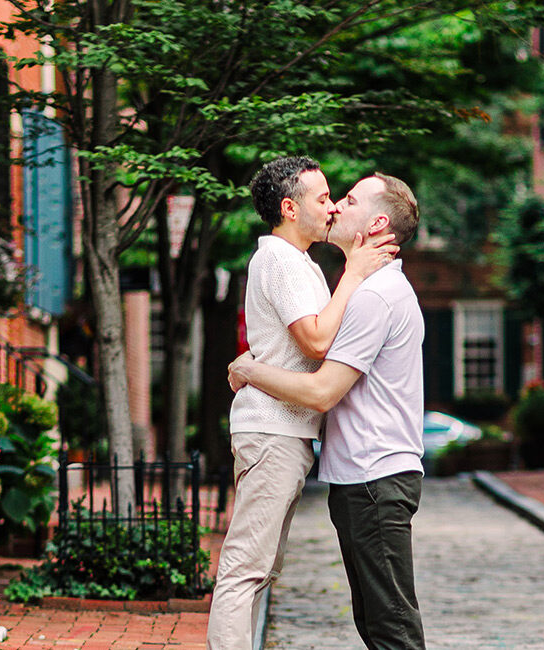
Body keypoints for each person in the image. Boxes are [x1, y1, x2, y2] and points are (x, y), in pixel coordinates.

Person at [228, 172, 425, 650]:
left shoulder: (375, 295)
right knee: (378, 622)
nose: (336, 206)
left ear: (377, 223)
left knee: (391, 626)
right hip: (362, 476)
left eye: (349, 199)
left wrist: (248, 368)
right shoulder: (357, 288)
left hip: (374, 476)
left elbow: (321, 391)